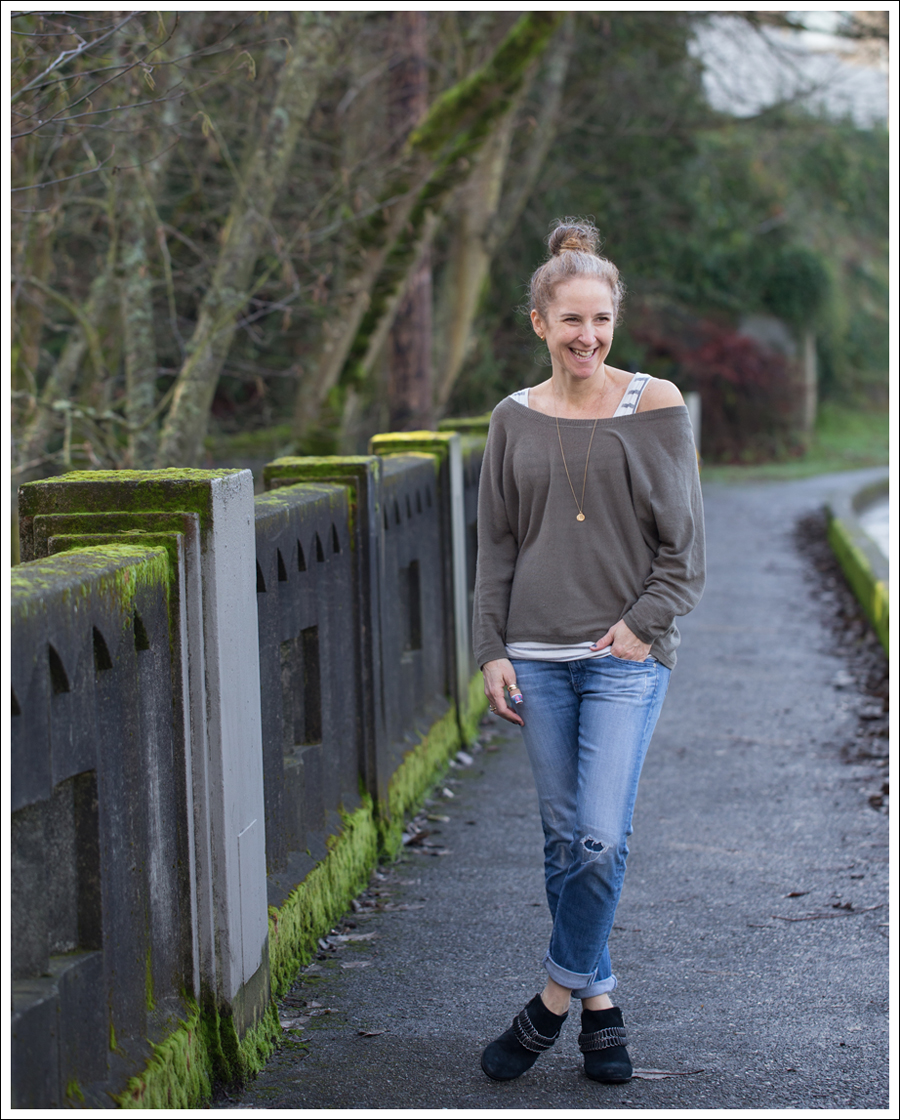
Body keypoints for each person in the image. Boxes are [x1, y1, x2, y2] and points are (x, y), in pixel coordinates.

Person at [473, 219, 705, 1084]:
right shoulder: (511, 419)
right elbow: (496, 546)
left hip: (624, 658)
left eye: (601, 319)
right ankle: (601, 1005)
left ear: (615, 319)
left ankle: (548, 1006)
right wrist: (490, 649)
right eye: (571, 319)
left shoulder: (655, 404)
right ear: (539, 322)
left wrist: (643, 625)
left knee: (600, 840)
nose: (588, 336)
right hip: (534, 657)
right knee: (564, 839)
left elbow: (686, 552)